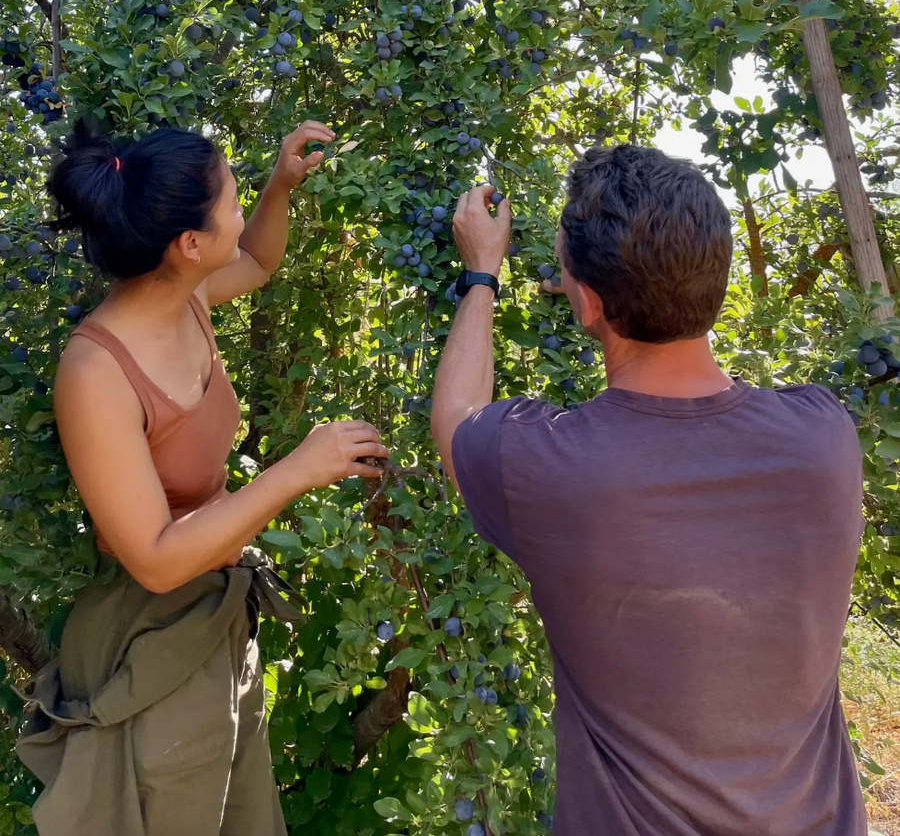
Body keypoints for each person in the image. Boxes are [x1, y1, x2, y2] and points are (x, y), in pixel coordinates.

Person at [431, 144, 866, 836]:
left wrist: (482, 273)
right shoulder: (825, 437)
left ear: (593, 301)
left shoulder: (549, 466)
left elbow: (454, 419)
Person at [17, 117, 388, 836]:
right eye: (232, 200)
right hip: (146, 637)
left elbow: (256, 259)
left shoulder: (188, 294)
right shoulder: (96, 372)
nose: (240, 212)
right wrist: (291, 473)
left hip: (214, 619)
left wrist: (281, 184)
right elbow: (153, 558)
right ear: (189, 244)